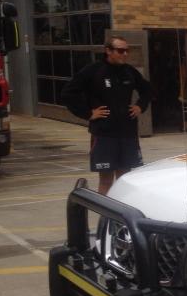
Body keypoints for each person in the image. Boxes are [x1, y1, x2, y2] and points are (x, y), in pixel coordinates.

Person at [62, 37, 153, 194]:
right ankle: (105, 216)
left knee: (125, 178)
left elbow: (147, 90)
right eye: (120, 51)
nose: (124, 54)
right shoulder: (93, 71)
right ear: (108, 51)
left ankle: (122, 216)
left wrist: (140, 106)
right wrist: (88, 113)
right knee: (106, 180)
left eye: (126, 51)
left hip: (127, 133)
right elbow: (68, 94)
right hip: (104, 133)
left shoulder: (129, 72)